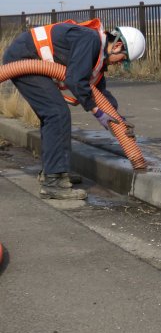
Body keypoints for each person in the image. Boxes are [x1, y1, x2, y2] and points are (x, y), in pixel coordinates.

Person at [2, 19, 146, 200]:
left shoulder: (97, 56)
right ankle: (54, 181)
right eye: (123, 60)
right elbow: (75, 80)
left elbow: (100, 93)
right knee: (56, 113)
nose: (119, 64)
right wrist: (95, 111)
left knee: (54, 115)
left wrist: (118, 119)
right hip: (24, 57)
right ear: (117, 46)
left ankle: (54, 172)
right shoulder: (90, 40)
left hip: (31, 57)